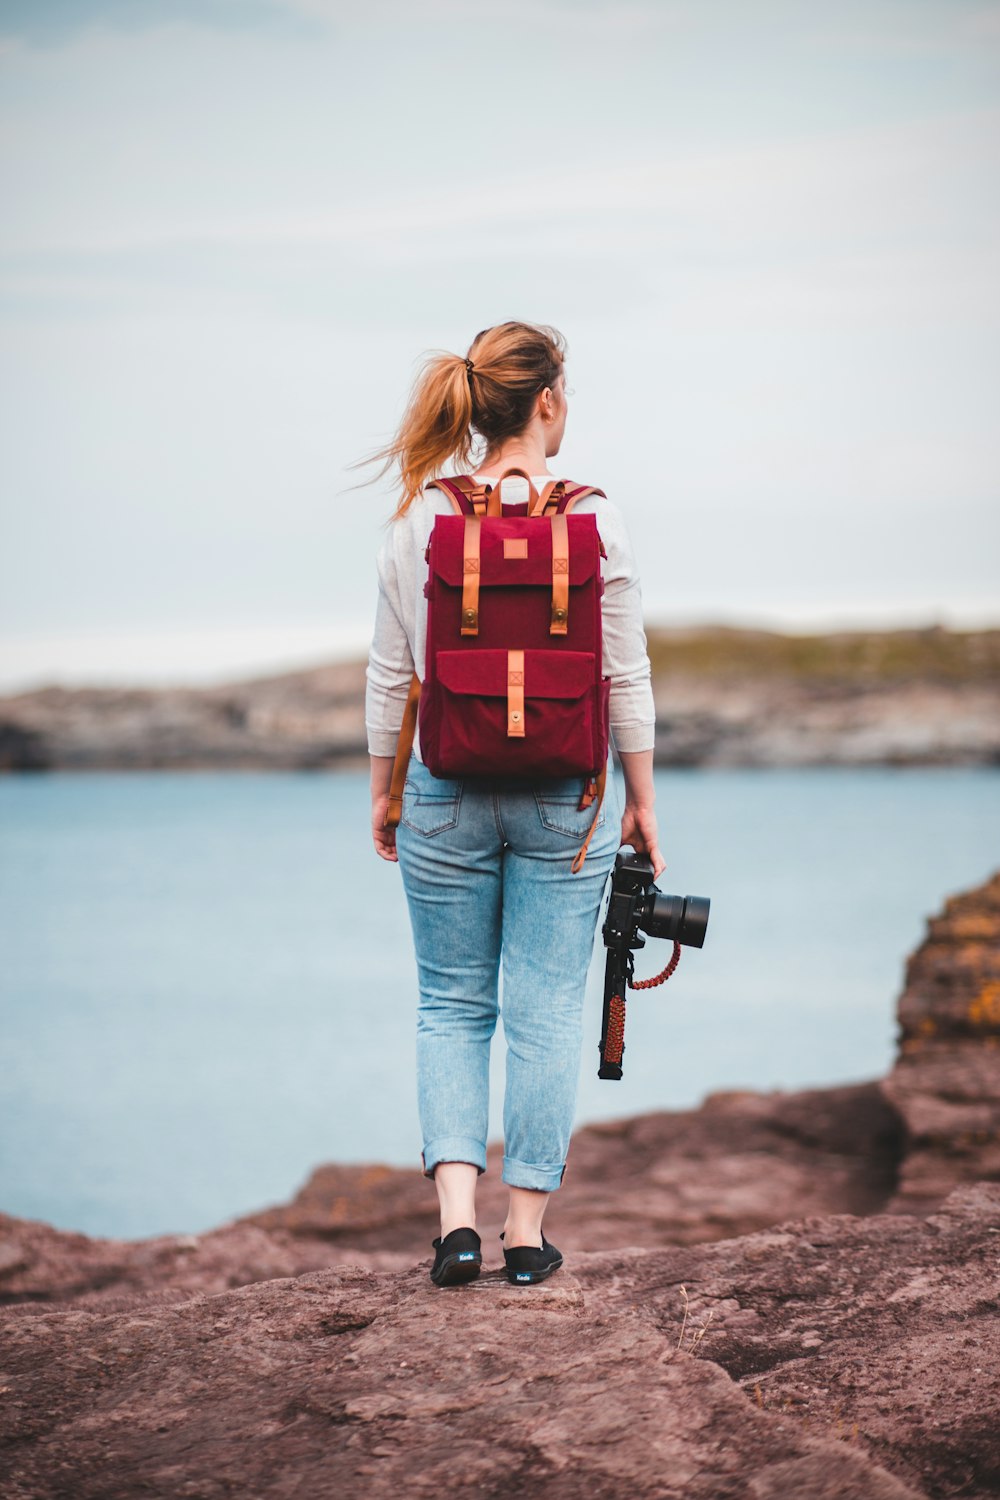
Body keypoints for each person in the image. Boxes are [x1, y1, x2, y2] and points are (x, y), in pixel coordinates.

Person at [363, 320, 662, 1287]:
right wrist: (643, 800)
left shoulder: (419, 518)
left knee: (451, 1004)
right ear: (547, 400)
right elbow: (625, 676)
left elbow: (389, 675)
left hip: (444, 790)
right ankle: (524, 1234)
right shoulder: (598, 518)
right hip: (563, 799)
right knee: (543, 1014)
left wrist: (385, 788)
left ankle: (455, 1223)